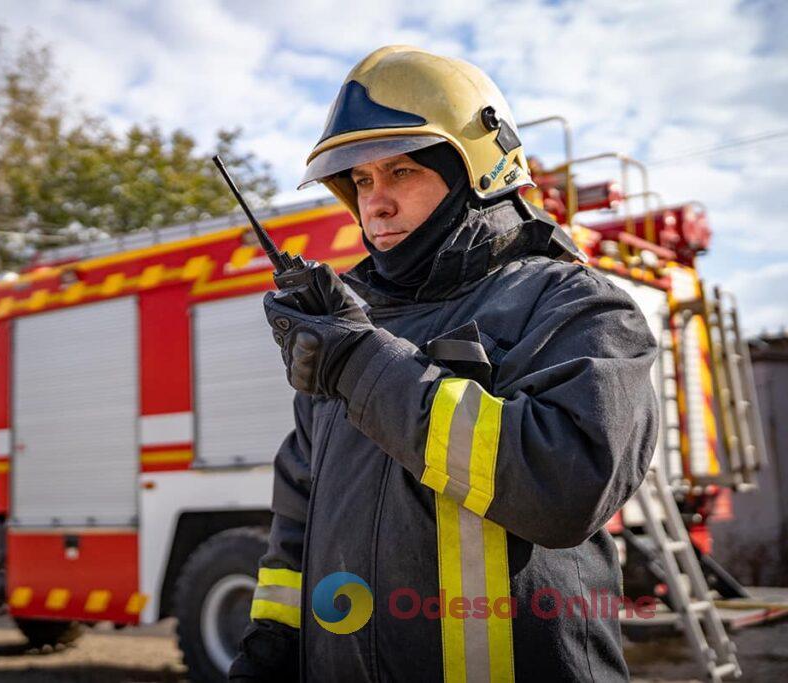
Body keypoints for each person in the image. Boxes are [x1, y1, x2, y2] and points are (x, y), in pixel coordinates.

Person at [228, 45, 658, 682]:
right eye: (362, 181)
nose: (374, 203)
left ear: (475, 171)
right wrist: (272, 642)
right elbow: (298, 514)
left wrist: (362, 363)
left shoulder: (573, 304)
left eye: (400, 172)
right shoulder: (349, 331)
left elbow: (566, 488)